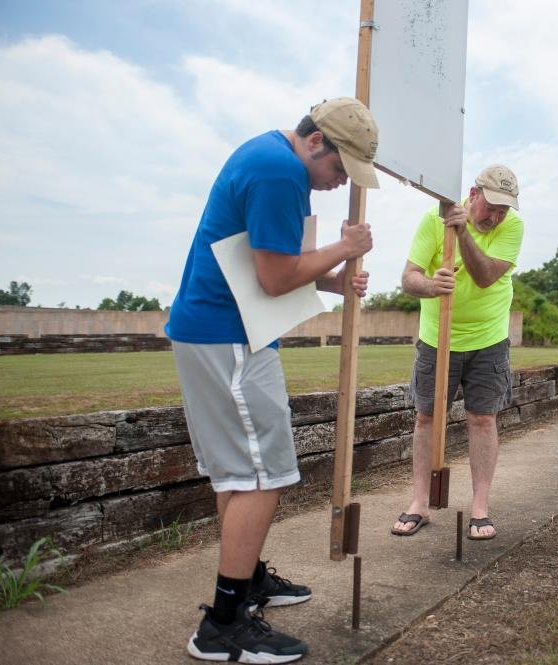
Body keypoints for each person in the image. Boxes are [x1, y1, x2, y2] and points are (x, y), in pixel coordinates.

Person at [165, 97, 379, 663]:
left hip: (217, 328)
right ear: (316, 143)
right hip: (228, 335)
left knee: (241, 473)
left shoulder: (269, 154)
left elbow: (268, 264)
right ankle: (225, 624)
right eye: (339, 170)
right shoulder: (279, 171)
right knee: (268, 474)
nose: (338, 184)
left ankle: (247, 580)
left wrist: (331, 280)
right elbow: (276, 276)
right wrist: (347, 247)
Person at [391, 165, 523, 541]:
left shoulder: (511, 227)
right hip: (437, 338)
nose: (495, 216)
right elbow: (408, 277)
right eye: (490, 207)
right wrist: (431, 286)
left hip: (488, 338)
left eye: (503, 210)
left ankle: (480, 506)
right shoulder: (432, 223)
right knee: (426, 419)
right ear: (472, 193)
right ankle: (420, 503)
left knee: (483, 419)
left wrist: (464, 230)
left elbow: (484, 276)